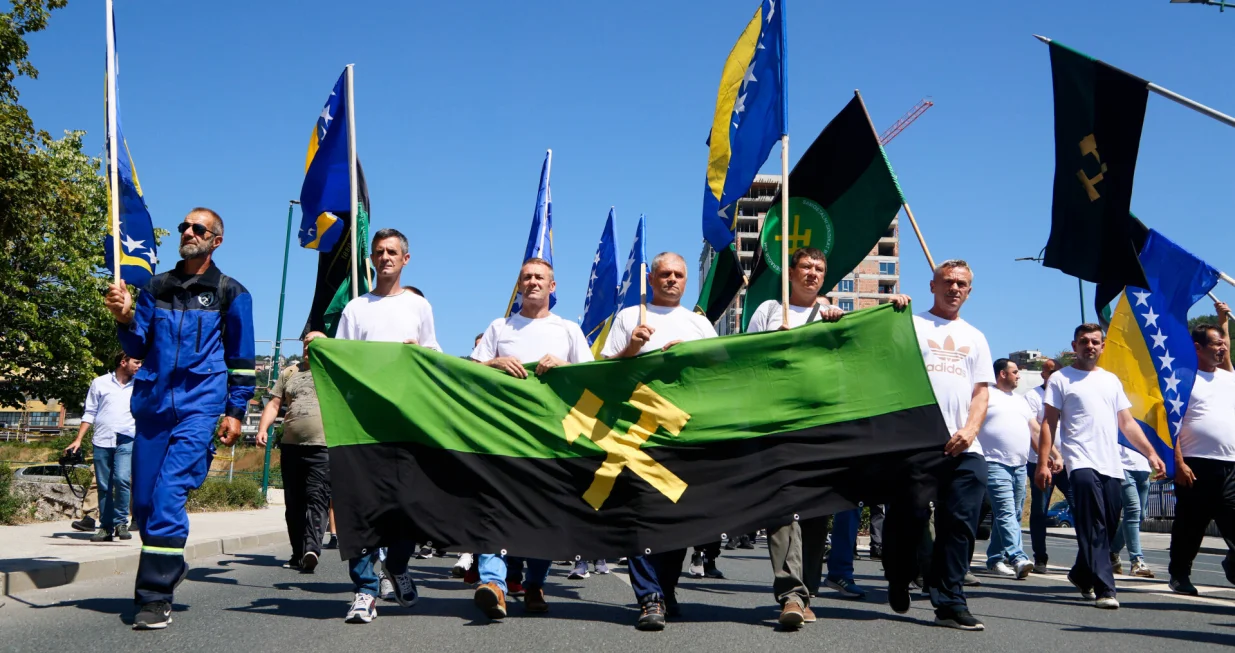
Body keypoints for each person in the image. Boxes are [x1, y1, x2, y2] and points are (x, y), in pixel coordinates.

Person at [104, 207, 256, 630]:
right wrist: (125, 316)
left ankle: (154, 596)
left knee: (169, 494)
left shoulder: (231, 292)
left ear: (216, 241)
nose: (187, 232)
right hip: (152, 405)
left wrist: (235, 410)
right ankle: (169, 562)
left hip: (199, 404)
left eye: (198, 228)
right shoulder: (156, 286)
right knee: (145, 505)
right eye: (184, 227)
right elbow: (138, 343)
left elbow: (242, 360)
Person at [468, 257, 594, 620]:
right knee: (495, 507)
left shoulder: (568, 330)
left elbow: (590, 378)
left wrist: (565, 367)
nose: (533, 282)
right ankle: (494, 584)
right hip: (502, 436)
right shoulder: (498, 327)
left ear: (552, 287)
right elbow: (471, 372)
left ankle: (536, 582)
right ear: (519, 286)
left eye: (540, 277)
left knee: (543, 512)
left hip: (550, 439)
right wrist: (493, 363)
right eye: (527, 277)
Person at [745, 247, 863, 628]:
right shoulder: (768, 311)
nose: (813, 273)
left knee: (815, 514)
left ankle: (806, 591)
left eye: (820, 268)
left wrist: (892, 305)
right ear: (790, 273)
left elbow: (850, 362)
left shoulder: (832, 315)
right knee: (781, 509)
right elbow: (744, 359)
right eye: (806, 267)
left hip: (820, 427)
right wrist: (771, 342)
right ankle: (791, 594)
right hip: (777, 426)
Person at [600, 251, 718, 632]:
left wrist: (692, 358)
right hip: (637, 436)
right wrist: (632, 349)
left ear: (687, 281)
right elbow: (602, 375)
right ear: (650, 279)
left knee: (677, 520)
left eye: (678, 274)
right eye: (664, 274)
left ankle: (666, 590)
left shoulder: (699, 324)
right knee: (640, 517)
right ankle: (649, 597)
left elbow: (723, 376)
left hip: (685, 437)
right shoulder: (628, 317)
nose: (671, 280)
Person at [336, 228, 441, 624]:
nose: (384, 257)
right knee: (361, 507)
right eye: (378, 252)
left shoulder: (419, 307)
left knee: (408, 505)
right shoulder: (355, 309)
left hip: (408, 422)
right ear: (372, 260)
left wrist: (422, 355)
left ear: (405, 259)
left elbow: (435, 356)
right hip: (362, 425)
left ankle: (397, 566)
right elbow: (340, 363)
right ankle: (364, 591)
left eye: (392, 252)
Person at [883, 259, 992, 632]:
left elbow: (981, 393)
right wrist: (890, 312)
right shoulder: (912, 324)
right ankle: (899, 576)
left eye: (961, 283)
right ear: (933, 285)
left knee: (960, 524)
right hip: (917, 442)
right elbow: (878, 356)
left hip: (964, 446)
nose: (954, 288)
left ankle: (949, 601)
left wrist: (971, 430)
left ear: (969, 290)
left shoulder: (976, 337)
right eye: (947, 281)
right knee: (908, 518)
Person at [1036, 323, 1166, 610]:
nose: (1090, 346)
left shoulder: (1110, 380)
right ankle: (1105, 588)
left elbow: (1127, 423)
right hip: (1079, 462)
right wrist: (1043, 462)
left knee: (1107, 525)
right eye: (1084, 341)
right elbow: (1049, 422)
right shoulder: (1061, 379)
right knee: (1093, 524)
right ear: (1074, 346)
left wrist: (1151, 454)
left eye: (1095, 341)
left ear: (1103, 346)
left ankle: (1081, 574)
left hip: (1112, 465)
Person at [1170, 305, 1235, 595]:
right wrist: (1179, 464)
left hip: (1230, 465)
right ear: (1197, 348)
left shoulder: (1228, 375)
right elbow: (1171, 426)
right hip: (1196, 465)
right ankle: (1179, 575)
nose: (1221, 349)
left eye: (1223, 344)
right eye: (1215, 344)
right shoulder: (1183, 379)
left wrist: (1223, 321)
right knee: (1190, 526)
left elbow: (1228, 348)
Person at [256, 331, 331, 574]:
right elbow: (275, 403)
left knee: (317, 498)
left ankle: (312, 548)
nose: (308, 346)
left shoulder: (334, 371)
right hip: (291, 446)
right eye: (306, 342)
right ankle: (299, 552)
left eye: (314, 342)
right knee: (294, 503)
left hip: (323, 447)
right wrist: (262, 428)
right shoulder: (290, 372)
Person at [66, 353, 142, 542]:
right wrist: (78, 439)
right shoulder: (99, 383)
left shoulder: (140, 384)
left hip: (127, 438)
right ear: (123, 362)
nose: (139, 366)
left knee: (122, 479)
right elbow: (90, 412)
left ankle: (121, 523)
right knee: (103, 485)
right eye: (136, 362)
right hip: (102, 439)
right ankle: (106, 527)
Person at [978, 358, 1038, 579]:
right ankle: (1017, 556)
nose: (1019, 376)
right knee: (1004, 512)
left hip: (1019, 465)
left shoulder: (1021, 401)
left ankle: (995, 558)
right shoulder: (985, 395)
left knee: (1013, 513)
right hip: (993, 462)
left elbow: (1035, 430)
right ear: (1002, 374)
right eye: (1015, 372)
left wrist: (1051, 455)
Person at [1022, 358, 1072, 574]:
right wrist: (1049, 457)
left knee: (1081, 506)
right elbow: (1034, 429)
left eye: (1056, 371)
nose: (1052, 375)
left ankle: (1088, 558)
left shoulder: (1068, 395)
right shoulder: (1033, 396)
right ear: (1042, 374)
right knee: (1040, 511)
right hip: (1042, 463)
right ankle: (1040, 557)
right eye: (1048, 371)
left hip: (1069, 464)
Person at [1110, 445, 1154, 578]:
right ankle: (1137, 561)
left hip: (1143, 468)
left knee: (1140, 515)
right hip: (1122, 466)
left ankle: (1112, 552)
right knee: (1133, 510)